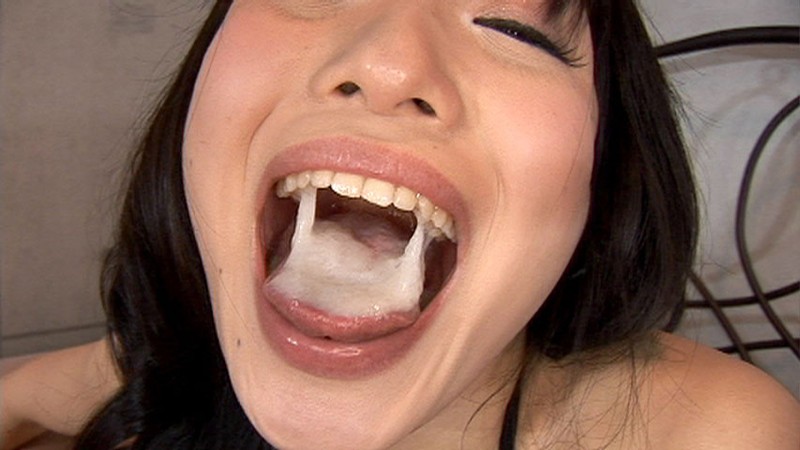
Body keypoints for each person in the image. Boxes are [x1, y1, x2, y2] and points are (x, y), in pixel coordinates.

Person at [2, 1, 798, 449]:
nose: (388, 69)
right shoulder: (172, 363)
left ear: (606, 169)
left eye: (514, 27)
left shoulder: (709, 432)